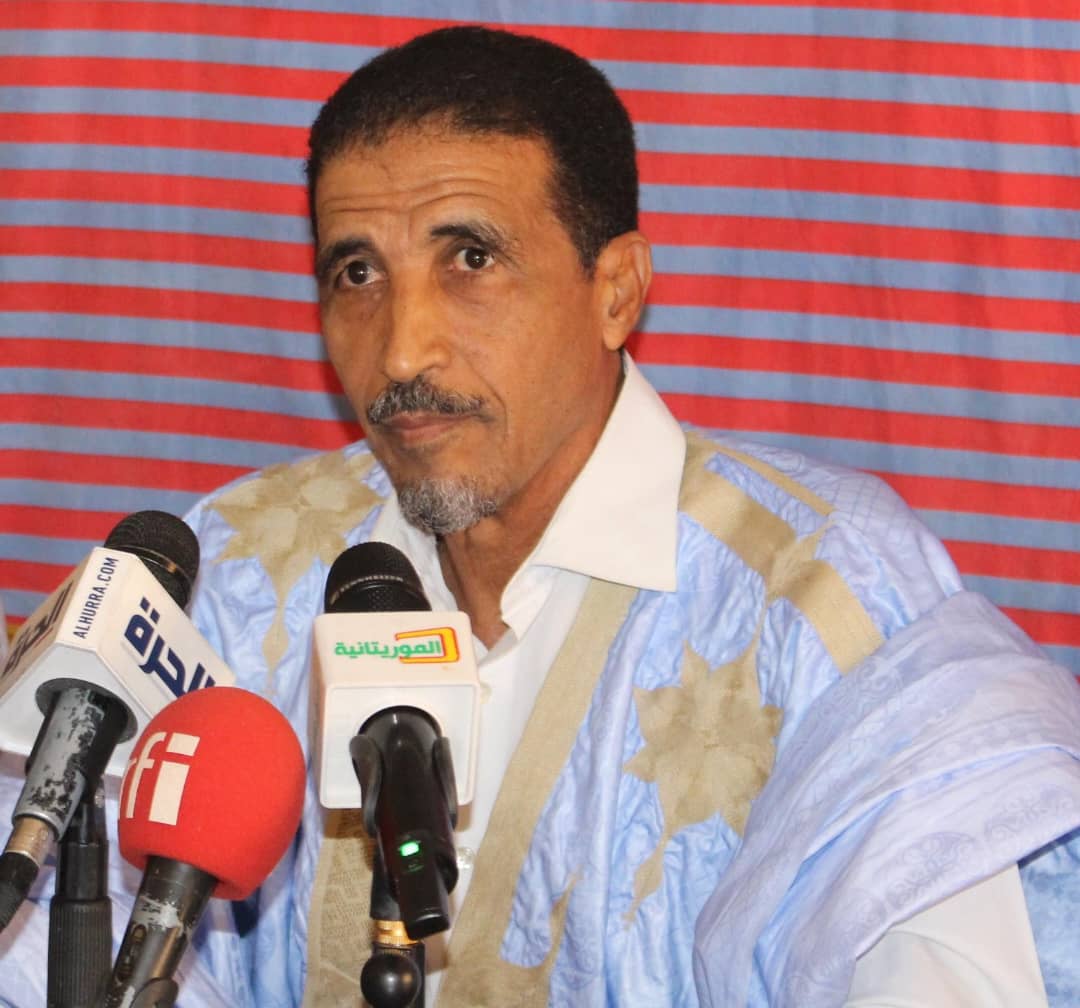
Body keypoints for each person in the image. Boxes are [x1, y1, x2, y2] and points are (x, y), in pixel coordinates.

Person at [1, 24, 1078, 1008]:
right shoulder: (229, 574)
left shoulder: (827, 598)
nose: (403, 348)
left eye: (470, 259)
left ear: (618, 292)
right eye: (358, 271)